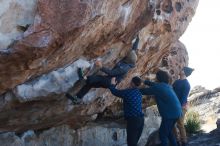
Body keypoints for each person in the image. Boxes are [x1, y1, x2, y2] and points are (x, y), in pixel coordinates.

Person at [65, 36, 139, 104]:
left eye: (127, 55)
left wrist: (101, 66)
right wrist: (137, 39)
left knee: (96, 78)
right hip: (108, 80)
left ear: (128, 59)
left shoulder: (124, 68)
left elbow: (111, 73)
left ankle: (83, 78)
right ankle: (77, 99)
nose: (126, 55)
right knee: (90, 84)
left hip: (110, 82)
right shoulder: (130, 60)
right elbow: (134, 49)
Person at [139, 70, 182, 146]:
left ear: (158, 78)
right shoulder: (167, 85)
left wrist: (133, 89)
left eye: (156, 77)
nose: (155, 78)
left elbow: (145, 91)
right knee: (168, 132)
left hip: (170, 115)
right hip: (177, 113)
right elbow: (154, 84)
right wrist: (144, 81)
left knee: (162, 134)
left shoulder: (158, 87)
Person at [108, 76, 144, 146]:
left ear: (132, 83)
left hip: (133, 121)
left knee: (131, 143)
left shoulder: (128, 92)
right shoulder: (139, 93)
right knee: (134, 142)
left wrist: (112, 84)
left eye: (131, 82)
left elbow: (115, 92)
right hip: (141, 120)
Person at [173, 67, 194, 146]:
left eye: (182, 70)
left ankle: (184, 141)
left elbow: (183, 98)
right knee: (172, 124)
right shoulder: (177, 82)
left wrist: (179, 108)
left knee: (180, 124)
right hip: (174, 106)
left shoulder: (186, 84)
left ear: (184, 73)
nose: (180, 70)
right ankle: (177, 140)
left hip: (181, 107)